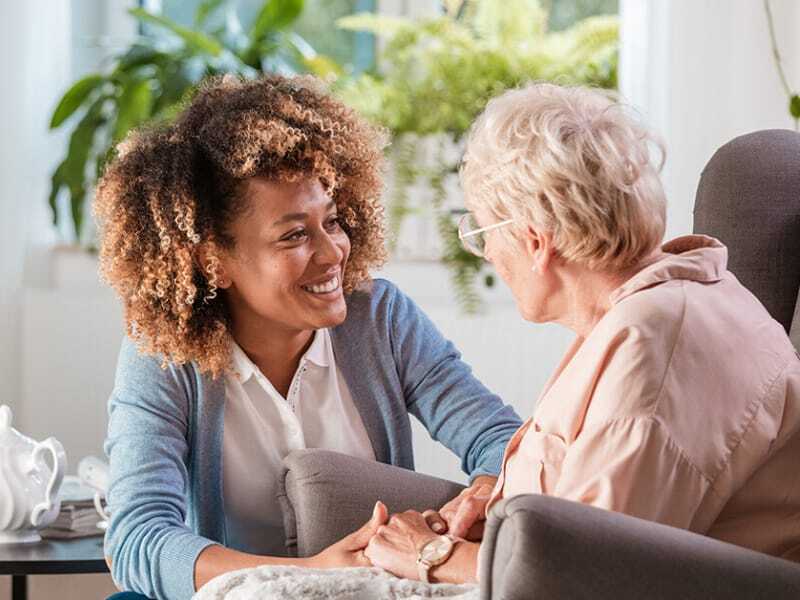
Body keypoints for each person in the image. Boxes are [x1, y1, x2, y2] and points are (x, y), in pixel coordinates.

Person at [97, 74, 522, 600]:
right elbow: (140, 538)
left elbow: (502, 441)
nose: (333, 252)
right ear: (213, 260)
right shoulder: (165, 358)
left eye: (334, 221)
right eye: (295, 234)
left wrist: (480, 497)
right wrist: (307, 574)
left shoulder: (382, 319)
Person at [364, 82, 800, 583]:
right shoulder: (667, 300)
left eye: (481, 233)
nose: (485, 254)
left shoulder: (651, 347)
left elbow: (590, 573)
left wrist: (431, 555)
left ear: (534, 242)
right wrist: (506, 504)